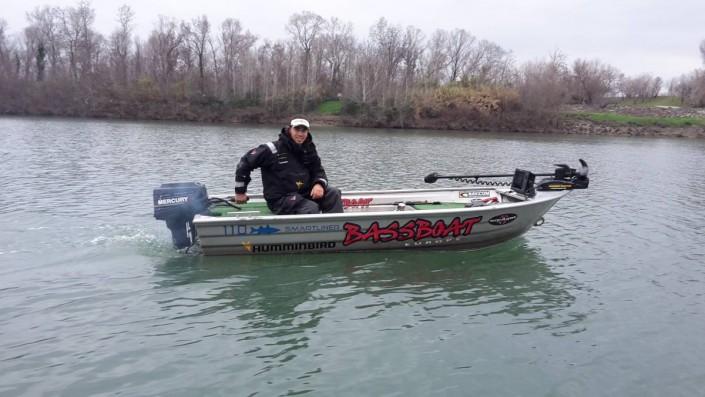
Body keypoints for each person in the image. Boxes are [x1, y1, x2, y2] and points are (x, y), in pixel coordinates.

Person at [234, 118, 344, 215]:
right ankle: (311, 238)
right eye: (297, 130)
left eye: (304, 130)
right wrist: (240, 192)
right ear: (289, 129)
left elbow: (318, 170)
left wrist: (319, 184)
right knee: (310, 208)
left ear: (308, 132)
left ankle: (335, 232)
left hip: (304, 194)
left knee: (333, 193)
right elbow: (244, 163)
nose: (300, 134)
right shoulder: (271, 149)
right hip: (280, 199)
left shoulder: (309, 149)